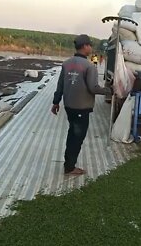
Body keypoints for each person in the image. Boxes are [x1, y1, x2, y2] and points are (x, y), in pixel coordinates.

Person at [51, 34, 111, 175]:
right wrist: (109, 90)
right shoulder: (89, 67)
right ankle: (70, 167)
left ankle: (68, 164)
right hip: (81, 108)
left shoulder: (66, 63)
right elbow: (93, 88)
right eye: (90, 45)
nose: (91, 47)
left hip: (69, 107)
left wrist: (55, 102)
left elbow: (60, 85)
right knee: (77, 137)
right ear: (85, 46)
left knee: (72, 134)